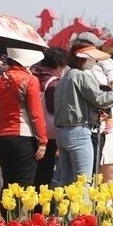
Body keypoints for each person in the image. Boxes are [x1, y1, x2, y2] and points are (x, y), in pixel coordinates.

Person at [53, 45, 113, 186]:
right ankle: (83, 209)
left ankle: (62, 208)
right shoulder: (80, 76)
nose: (94, 62)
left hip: (62, 132)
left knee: (66, 182)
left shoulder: (64, 78)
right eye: (91, 59)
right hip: (79, 131)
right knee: (83, 182)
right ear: (82, 59)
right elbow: (100, 99)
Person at [0, 48, 48, 192]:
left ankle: (6, 214)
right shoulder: (30, 80)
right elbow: (36, 113)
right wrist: (42, 141)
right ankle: (19, 215)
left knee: (8, 182)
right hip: (23, 136)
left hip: (1, 136)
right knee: (24, 183)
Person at [31, 47, 67, 189]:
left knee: (33, 175)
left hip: (31, 132)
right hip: (48, 135)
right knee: (44, 176)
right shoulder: (53, 83)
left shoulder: (34, 75)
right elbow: (53, 108)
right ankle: (39, 210)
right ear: (59, 65)